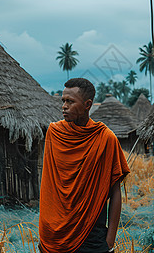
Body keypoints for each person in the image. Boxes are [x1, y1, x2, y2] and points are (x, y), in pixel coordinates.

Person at [39, 78, 130, 253]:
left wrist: (110, 240)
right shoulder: (55, 133)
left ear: (88, 104)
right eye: (63, 101)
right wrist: (46, 229)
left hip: (91, 234)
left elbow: (115, 191)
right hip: (53, 236)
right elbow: (49, 184)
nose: (64, 106)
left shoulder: (105, 139)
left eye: (70, 102)